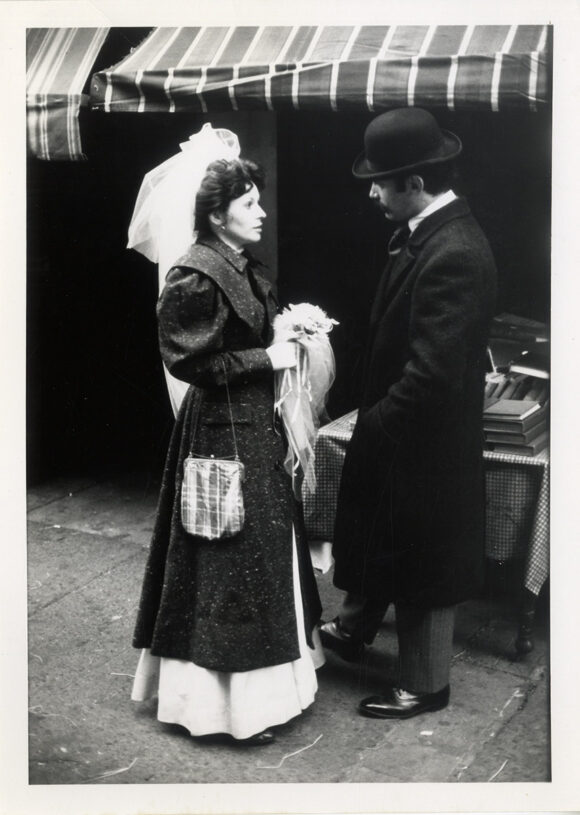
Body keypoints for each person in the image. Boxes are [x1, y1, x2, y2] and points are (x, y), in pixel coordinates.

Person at [129, 127, 324, 746]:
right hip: (218, 434)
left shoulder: (238, 265)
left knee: (260, 554)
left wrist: (292, 330)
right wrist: (271, 356)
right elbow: (190, 362)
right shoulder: (194, 275)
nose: (261, 211)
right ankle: (222, 707)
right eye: (248, 204)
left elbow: (247, 339)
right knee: (226, 554)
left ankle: (264, 690)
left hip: (250, 426)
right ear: (217, 214)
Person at [320, 107, 497, 719]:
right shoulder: (431, 233)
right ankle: (352, 631)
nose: (373, 192)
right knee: (384, 540)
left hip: (423, 446)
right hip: (405, 436)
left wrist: (375, 424)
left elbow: (433, 375)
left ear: (414, 184)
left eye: (380, 181)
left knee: (420, 561)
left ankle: (425, 684)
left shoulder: (452, 252)